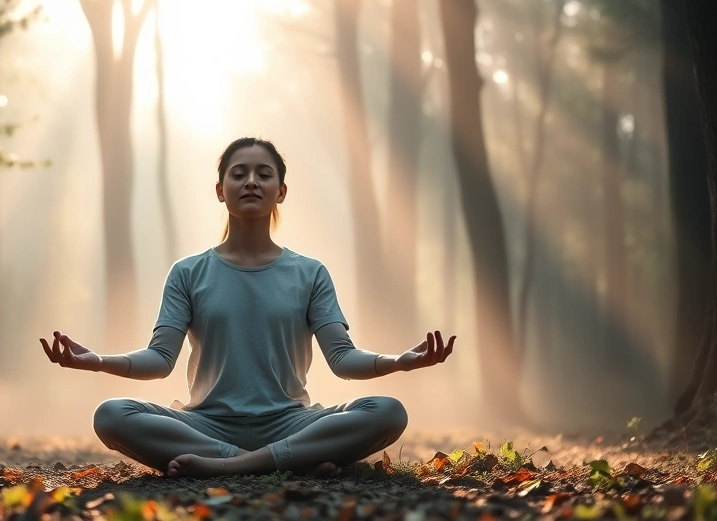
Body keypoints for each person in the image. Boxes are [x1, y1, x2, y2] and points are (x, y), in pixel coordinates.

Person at [39, 137, 456, 478]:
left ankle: (232, 466)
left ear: (281, 191)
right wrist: (97, 361)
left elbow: (343, 358)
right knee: (112, 415)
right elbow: (159, 359)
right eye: (238, 174)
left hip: (291, 422)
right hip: (206, 425)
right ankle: (288, 461)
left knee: (387, 411)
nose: (251, 182)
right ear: (220, 191)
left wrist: (399, 362)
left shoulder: (310, 273)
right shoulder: (188, 272)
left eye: (264, 174)